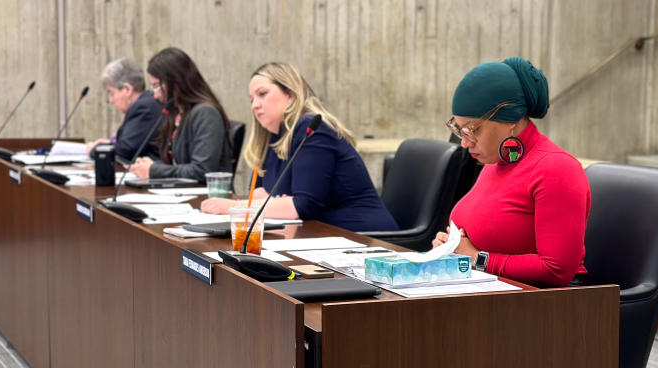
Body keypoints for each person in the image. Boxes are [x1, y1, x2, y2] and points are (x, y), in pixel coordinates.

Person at [432, 57, 591, 288]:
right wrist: (450, 248)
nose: (465, 144)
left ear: (510, 120)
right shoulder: (495, 163)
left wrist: (476, 258)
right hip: (497, 294)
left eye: (472, 130)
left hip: (548, 307)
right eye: (459, 130)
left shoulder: (557, 169)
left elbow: (556, 270)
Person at [201, 63, 397, 232]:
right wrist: (276, 202)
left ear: (291, 95)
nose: (254, 105)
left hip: (364, 237)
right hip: (319, 235)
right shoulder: (273, 136)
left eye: (262, 94)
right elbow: (261, 194)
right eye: (251, 99)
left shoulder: (312, 128)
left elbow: (303, 205)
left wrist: (234, 207)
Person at [128, 48, 232, 181]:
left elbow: (202, 171)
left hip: (208, 197)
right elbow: (178, 165)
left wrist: (154, 170)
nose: (155, 95)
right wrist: (148, 166)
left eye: (156, 86)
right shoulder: (178, 114)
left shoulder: (206, 113)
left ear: (175, 82)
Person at [86, 58, 163, 161]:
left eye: (112, 93)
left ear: (127, 89)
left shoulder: (144, 107)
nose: (111, 100)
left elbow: (126, 151)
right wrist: (111, 145)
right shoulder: (145, 103)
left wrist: (96, 150)